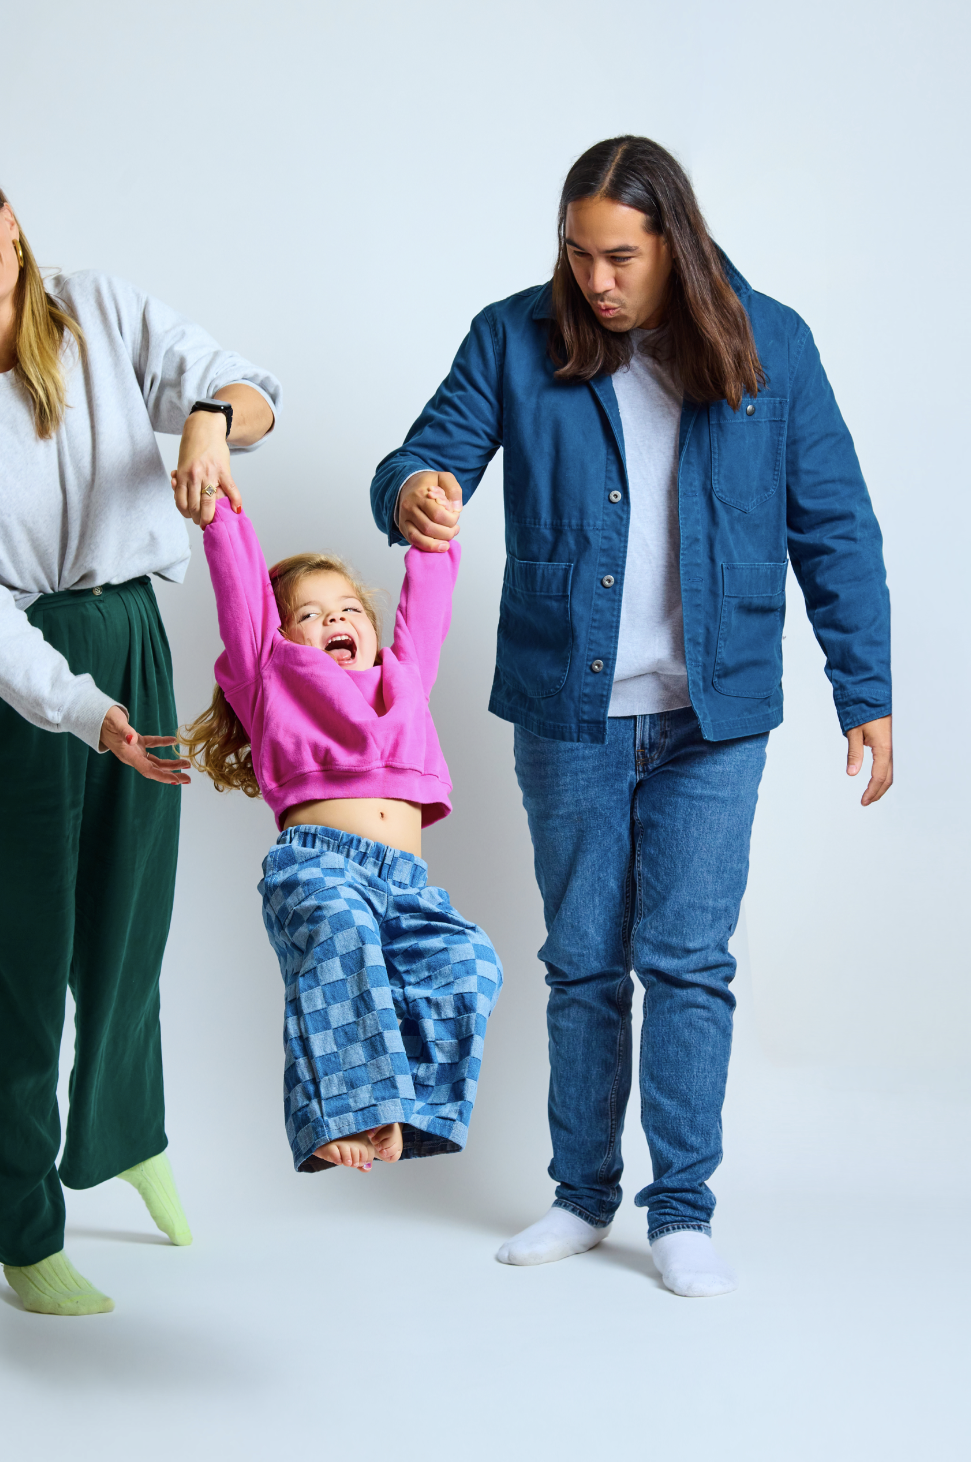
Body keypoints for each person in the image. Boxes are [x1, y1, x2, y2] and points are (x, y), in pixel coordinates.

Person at [370, 136, 891, 1297]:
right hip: (569, 706)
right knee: (585, 962)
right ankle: (579, 1195)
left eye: (619, 256)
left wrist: (868, 691)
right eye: (576, 253)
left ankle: (682, 1208)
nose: (596, 280)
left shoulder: (772, 343)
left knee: (689, 962)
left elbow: (836, 526)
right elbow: (419, 455)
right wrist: (412, 490)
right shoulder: (513, 335)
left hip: (717, 710)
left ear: (677, 244)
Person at [0, 153, 280, 1315]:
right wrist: (84, 712)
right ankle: (20, 1223)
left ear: (14, 223)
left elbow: (254, 389)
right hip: (4, 689)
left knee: (129, 923)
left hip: (131, 628)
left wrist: (204, 423)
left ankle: (126, 1135)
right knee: (16, 960)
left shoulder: (98, 308)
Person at [181, 487, 502, 1173]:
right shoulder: (272, 675)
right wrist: (222, 513)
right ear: (281, 634)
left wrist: (434, 533)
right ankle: (340, 1114)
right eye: (311, 613)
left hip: (407, 886)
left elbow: (431, 598)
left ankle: (403, 1111)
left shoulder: (405, 675)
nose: (336, 618)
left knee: (471, 964)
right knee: (342, 939)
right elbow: (241, 590)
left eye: (349, 609)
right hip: (320, 866)